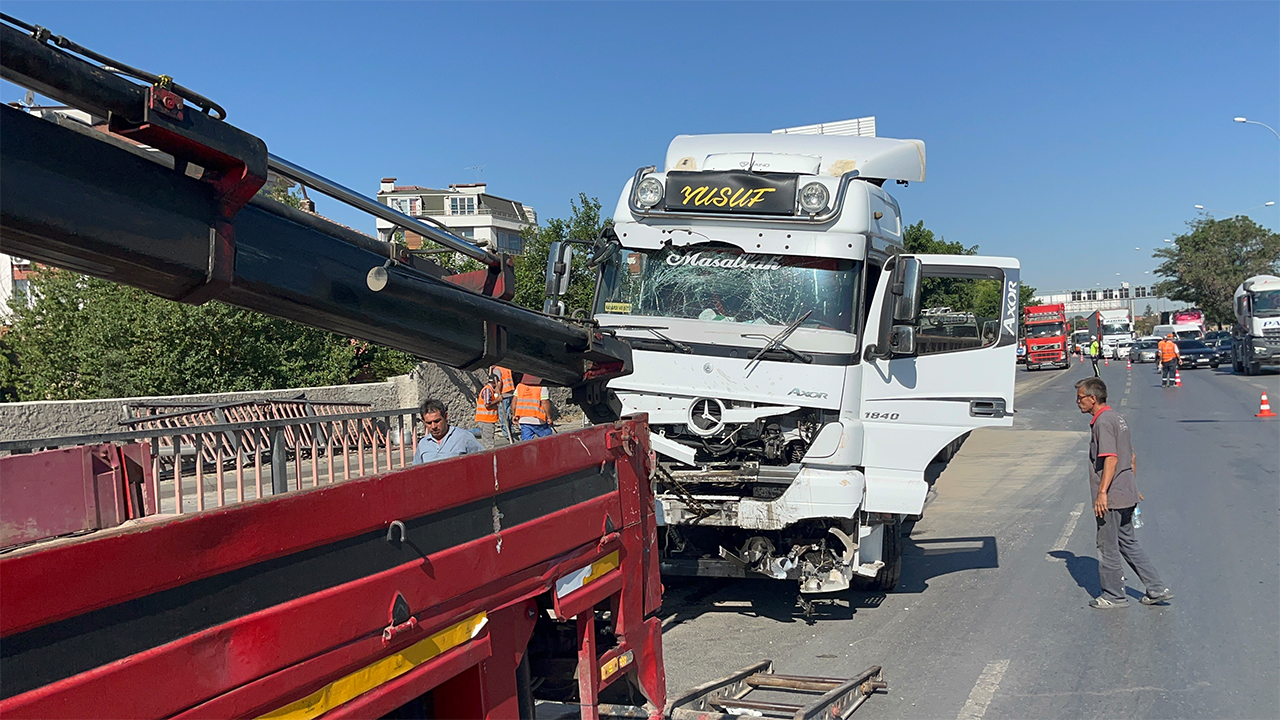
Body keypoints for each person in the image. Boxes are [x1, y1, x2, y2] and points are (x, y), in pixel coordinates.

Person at [1074, 377, 1173, 609]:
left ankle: (1114, 596)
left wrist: (1102, 493)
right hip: (1125, 491)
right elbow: (1132, 456)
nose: (1077, 402)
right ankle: (1156, 587)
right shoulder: (1118, 418)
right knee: (1128, 542)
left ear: (1093, 398)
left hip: (1112, 497)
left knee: (1107, 545)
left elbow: (1111, 458)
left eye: (1080, 398)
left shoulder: (1103, 422)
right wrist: (1133, 487)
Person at [413, 398, 485, 464]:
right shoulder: (423, 444)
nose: (433, 426)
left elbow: (483, 461)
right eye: (429, 423)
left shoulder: (464, 437)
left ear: (446, 416)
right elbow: (415, 473)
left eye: (437, 421)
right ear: (423, 421)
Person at [513, 376, 554, 441]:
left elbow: (514, 401)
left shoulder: (520, 386)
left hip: (523, 420)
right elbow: (544, 402)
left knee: (526, 444)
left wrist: (514, 415)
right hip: (538, 420)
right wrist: (549, 417)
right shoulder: (541, 387)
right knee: (548, 440)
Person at [474, 375, 501, 448]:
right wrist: (498, 400)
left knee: (485, 442)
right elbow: (487, 405)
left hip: (487, 420)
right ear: (495, 382)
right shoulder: (487, 390)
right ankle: (489, 458)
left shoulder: (490, 390)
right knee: (489, 443)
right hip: (486, 420)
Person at [493, 366, 516, 441]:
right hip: (510, 392)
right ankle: (510, 429)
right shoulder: (506, 367)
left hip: (503, 394)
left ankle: (506, 432)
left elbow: (499, 382)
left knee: (503, 414)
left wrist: (496, 393)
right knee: (508, 413)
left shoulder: (497, 370)